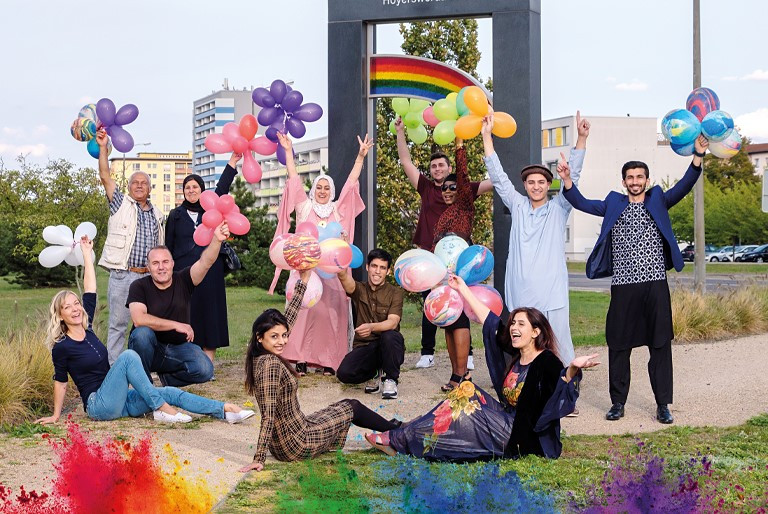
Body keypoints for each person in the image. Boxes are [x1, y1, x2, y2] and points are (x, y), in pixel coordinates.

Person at [559, 134, 709, 424]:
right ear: (624, 181)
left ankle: (663, 404)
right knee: (618, 345)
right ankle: (618, 403)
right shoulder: (613, 203)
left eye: (640, 176)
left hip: (655, 286)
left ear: (646, 179)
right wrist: (566, 180)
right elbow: (581, 202)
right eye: (630, 177)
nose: (635, 181)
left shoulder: (659, 200)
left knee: (660, 345)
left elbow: (684, 185)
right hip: (624, 288)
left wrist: (698, 156)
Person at [365, 275, 599, 461]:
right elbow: (491, 321)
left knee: (467, 410)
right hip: (507, 420)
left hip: (526, 437)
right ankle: (411, 433)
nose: (514, 327)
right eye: (513, 323)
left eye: (521, 324)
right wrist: (463, 289)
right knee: (466, 389)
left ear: (536, 332)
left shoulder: (547, 361)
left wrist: (571, 371)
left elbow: (560, 392)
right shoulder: (515, 354)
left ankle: (402, 437)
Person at [35, 235, 254, 425]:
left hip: (120, 400)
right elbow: (61, 381)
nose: (75, 309)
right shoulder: (61, 346)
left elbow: (90, 289)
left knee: (168, 392)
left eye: (76, 303)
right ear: (60, 315)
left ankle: (225, 410)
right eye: (67, 307)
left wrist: (86, 253)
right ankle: (162, 409)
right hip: (98, 405)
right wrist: (56, 415)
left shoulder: (87, 328)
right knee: (129, 356)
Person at [238, 273, 401, 473]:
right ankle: (398, 432)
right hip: (296, 443)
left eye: (284, 335)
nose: (281, 341)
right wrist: (259, 457)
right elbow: (268, 415)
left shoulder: (261, 354)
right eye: (274, 337)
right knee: (352, 407)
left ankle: (391, 429)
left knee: (340, 408)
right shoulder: (270, 365)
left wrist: (304, 281)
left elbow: (289, 318)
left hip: (294, 433)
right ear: (259, 338)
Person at [481, 111, 589, 379]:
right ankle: (523, 392)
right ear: (525, 186)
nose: (537, 186)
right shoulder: (517, 206)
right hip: (521, 294)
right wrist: (486, 137)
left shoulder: (559, 208)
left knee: (559, 343)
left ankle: (567, 391)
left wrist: (581, 139)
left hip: (551, 294)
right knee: (523, 346)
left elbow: (572, 176)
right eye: (531, 182)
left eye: (542, 182)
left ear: (548, 185)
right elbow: (498, 178)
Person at [269, 133, 371, 376]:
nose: (323, 191)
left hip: (332, 273)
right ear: (314, 190)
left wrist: (360, 157)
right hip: (305, 272)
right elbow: (294, 180)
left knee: (330, 316)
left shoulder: (338, 210)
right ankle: (299, 358)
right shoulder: (304, 207)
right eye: (319, 187)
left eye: (327, 188)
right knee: (304, 313)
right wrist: (288, 150)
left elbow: (350, 185)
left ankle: (328, 360)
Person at [396, 119, 493, 370]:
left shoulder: (463, 192)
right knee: (433, 302)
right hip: (431, 258)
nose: (437, 168)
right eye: (434, 166)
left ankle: (467, 356)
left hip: (457, 259)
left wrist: (488, 144)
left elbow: (493, 182)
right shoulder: (427, 188)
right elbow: (406, 162)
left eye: (441, 165)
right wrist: (399, 132)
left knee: (460, 305)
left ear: (450, 168)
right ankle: (427, 351)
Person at [127, 221, 231, 387]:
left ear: (173, 263)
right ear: (148, 267)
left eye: (165, 262)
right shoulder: (139, 286)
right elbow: (139, 319)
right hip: (149, 349)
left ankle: (167, 379)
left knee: (205, 369)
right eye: (155, 263)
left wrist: (216, 240)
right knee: (142, 334)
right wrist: (176, 325)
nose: (161, 267)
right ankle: (143, 384)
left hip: (177, 349)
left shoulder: (183, 279)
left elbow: (205, 262)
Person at [95, 129, 165, 365]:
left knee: (146, 327)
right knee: (118, 326)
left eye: (144, 183)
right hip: (123, 276)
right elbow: (105, 176)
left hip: (148, 279)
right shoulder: (120, 204)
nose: (139, 185)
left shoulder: (158, 214)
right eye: (135, 182)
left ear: (149, 189)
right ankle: (115, 370)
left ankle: (141, 369)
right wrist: (103, 148)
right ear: (128, 186)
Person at [165, 152, 240, 369]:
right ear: (183, 192)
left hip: (211, 271)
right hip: (184, 273)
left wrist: (232, 162)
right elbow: (169, 246)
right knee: (188, 313)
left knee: (210, 312)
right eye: (187, 188)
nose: (191, 190)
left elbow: (223, 186)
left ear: (202, 190)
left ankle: (208, 364)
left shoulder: (211, 208)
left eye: (195, 187)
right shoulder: (175, 215)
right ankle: (190, 362)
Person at [430, 138, 489, 392]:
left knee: (461, 320)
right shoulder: (443, 215)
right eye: (444, 188)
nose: (448, 191)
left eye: (453, 187)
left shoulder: (465, 206)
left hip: (463, 272)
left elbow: (463, 177)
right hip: (443, 274)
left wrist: (460, 146)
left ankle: (462, 375)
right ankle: (456, 372)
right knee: (448, 320)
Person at [336, 248, 404, 399]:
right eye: (374, 266)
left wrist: (371, 327)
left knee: (390, 336)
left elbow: (393, 322)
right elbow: (344, 278)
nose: (377, 271)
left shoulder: (396, 293)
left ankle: (391, 379)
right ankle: (375, 373)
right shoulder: (359, 289)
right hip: (366, 346)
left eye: (382, 268)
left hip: (389, 345)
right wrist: (341, 251)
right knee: (344, 374)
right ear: (367, 267)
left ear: (387, 271)